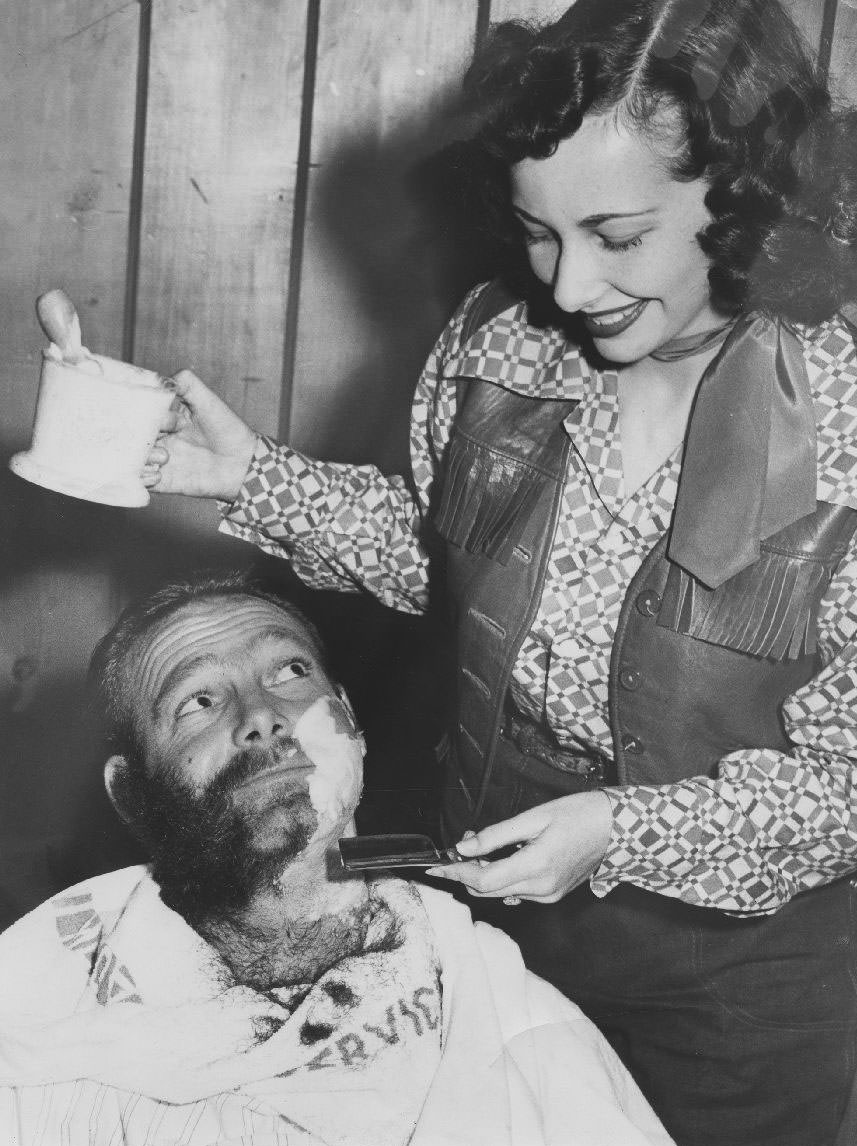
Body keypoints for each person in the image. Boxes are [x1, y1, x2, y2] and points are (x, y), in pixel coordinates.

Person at [143, 2, 857, 1143]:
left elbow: (847, 783)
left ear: (747, 197)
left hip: (732, 992)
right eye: (538, 233)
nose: (568, 288)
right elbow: (452, 572)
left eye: (617, 235)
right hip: (501, 915)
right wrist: (253, 479)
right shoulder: (496, 345)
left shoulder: (844, 418)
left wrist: (622, 833)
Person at [0, 575, 671, 1146]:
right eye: (197, 702)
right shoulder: (35, 1015)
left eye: (290, 672)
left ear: (349, 721)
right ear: (131, 794)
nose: (262, 715)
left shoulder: (503, 1012)